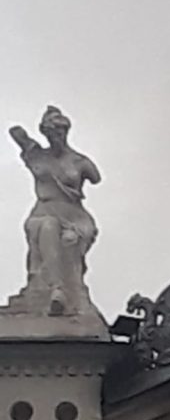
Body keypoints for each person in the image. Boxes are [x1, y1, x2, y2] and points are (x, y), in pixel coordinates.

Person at [8, 106, 101, 316]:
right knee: (47, 227)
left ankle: (69, 293)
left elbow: (95, 177)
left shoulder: (79, 161)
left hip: (74, 215)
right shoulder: (37, 155)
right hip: (43, 210)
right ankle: (55, 290)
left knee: (70, 240)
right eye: (51, 133)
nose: (56, 137)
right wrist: (31, 139)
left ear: (66, 132)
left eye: (59, 133)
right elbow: (15, 132)